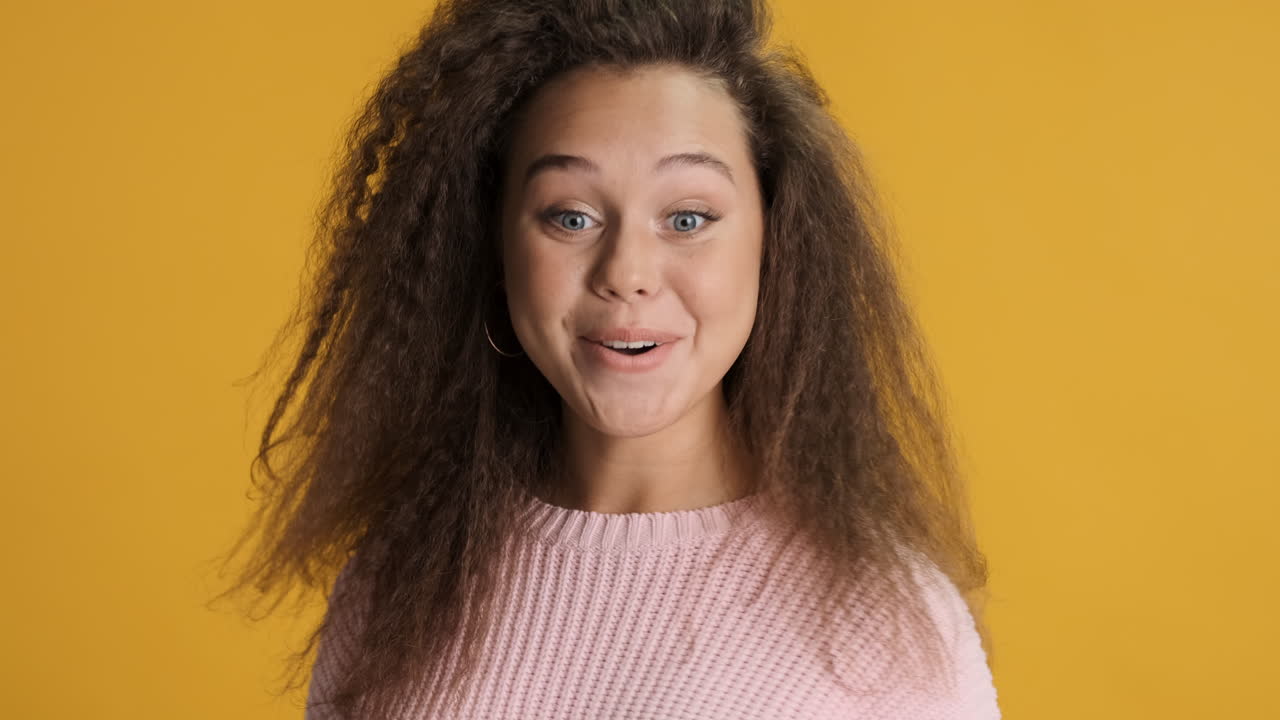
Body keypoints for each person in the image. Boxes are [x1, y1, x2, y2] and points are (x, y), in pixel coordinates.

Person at [213, 0, 1001, 717]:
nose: (626, 271)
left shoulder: (889, 628)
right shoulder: (395, 588)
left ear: (776, 244)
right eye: (571, 216)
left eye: (688, 217)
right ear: (496, 246)